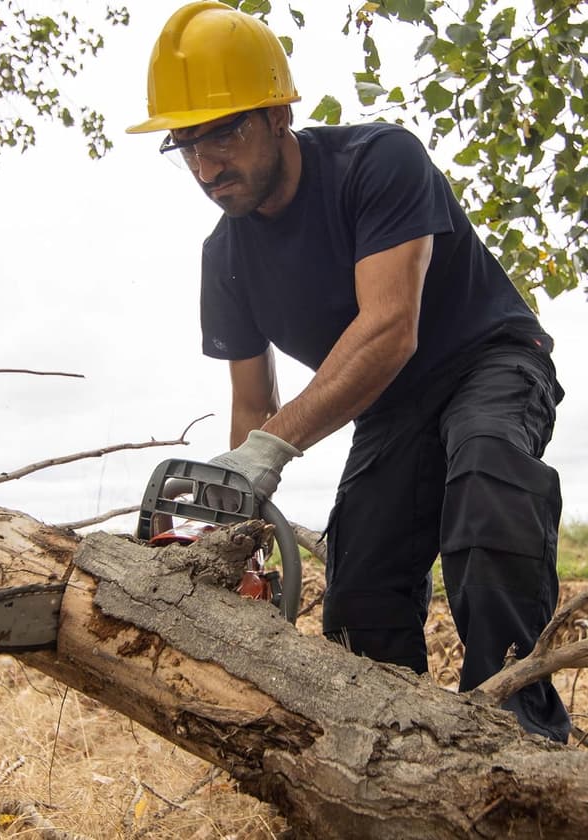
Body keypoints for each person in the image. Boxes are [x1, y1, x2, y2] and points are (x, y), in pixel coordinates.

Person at [127, 1, 570, 742]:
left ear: (278, 113)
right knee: (360, 595)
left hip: (488, 360)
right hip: (391, 408)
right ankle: (391, 754)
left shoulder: (380, 162)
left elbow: (390, 329)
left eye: (224, 134)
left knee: (488, 491)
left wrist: (268, 451)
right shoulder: (225, 259)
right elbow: (252, 407)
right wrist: (239, 519)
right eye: (186, 146)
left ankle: (518, 736)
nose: (206, 168)